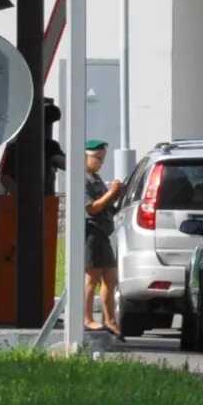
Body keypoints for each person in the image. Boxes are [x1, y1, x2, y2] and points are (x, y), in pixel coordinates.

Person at [81, 141, 127, 337]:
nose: (101, 163)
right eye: (98, 158)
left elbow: (106, 206)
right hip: (91, 231)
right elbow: (92, 208)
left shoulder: (96, 178)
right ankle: (86, 318)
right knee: (92, 277)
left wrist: (116, 196)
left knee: (110, 277)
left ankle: (110, 320)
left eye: (102, 159)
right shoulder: (82, 179)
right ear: (85, 157)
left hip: (103, 232)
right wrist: (111, 193)